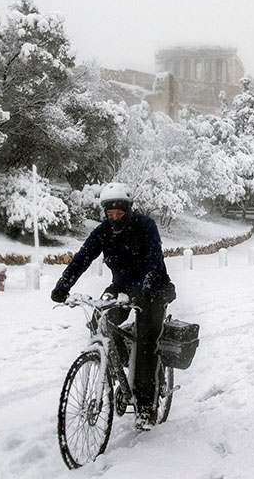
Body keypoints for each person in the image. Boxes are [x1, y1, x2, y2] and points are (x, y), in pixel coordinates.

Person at [50, 182, 176, 431]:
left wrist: (144, 292)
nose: (115, 217)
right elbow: (83, 258)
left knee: (145, 346)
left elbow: (154, 261)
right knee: (101, 320)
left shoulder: (145, 226)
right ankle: (115, 368)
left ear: (128, 210)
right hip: (121, 288)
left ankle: (145, 407)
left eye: (119, 213)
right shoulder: (103, 232)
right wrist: (62, 286)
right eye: (110, 214)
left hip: (153, 290)